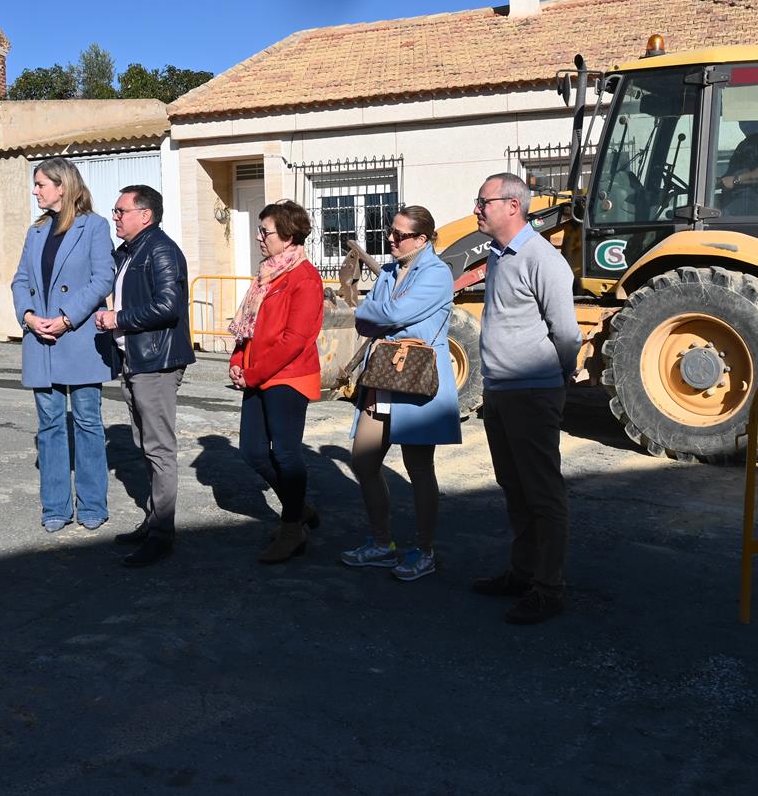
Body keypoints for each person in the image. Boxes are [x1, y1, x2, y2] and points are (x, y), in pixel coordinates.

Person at [471, 173, 581, 625]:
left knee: (542, 492)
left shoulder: (542, 259)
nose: (477, 208)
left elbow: (567, 333)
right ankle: (523, 572)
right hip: (500, 391)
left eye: (483, 201)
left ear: (512, 205)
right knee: (515, 488)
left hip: (531, 393)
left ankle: (548, 588)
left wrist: (556, 376)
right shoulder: (500, 256)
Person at [339, 205, 461, 581]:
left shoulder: (438, 273)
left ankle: (424, 551)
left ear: (422, 239)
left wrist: (379, 316)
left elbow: (387, 312)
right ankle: (382, 543)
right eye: (390, 231)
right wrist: (380, 316)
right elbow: (371, 315)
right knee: (363, 460)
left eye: (400, 234)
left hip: (416, 379)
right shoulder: (391, 270)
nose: (390, 239)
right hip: (382, 376)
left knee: (419, 469)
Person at [11, 158, 118, 534]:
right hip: (40, 339)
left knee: (88, 422)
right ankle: (55, 506)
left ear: (62, 186)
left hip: (79, 338)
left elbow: (103, 278)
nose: (35, 190)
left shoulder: (95, 226)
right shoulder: (36, 231)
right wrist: (27, 316)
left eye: (41, 184)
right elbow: (20, 279)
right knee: (50, 425)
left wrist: (66, 317)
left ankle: (92, 504)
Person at [93, 185, 195, 568]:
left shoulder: (161, 250)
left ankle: (162, 534)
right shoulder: (130, 252)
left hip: (156, 362)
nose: (116, 216)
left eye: (122, 211)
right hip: (134, 360)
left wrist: (117, 319)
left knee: (159, 449)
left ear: (145, 215)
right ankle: (154, 519)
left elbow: (168, 306)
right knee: (144, 443)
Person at [227, 200, 324, 564]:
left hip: (288, 376)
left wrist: (253, 372)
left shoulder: (304, 277)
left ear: (287, 235)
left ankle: (291, 529)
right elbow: (248, 327)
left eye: (264, 231)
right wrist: (238, 360)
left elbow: (295, 338)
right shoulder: (267, 273)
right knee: (253, 452)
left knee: (285, 453)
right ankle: (299, 509)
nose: (259, 237)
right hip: (258, 374)